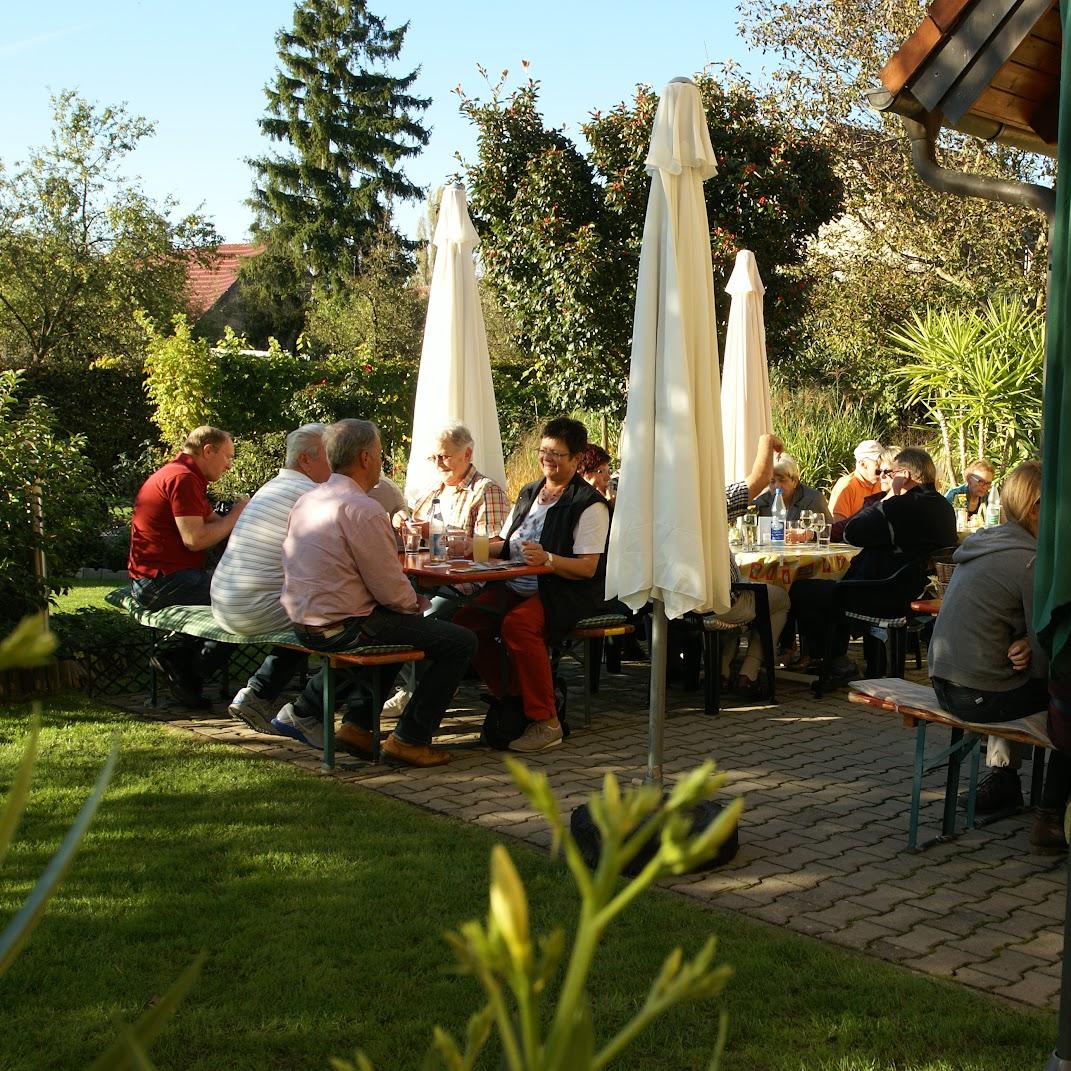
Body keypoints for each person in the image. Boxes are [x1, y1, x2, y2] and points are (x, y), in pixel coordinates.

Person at [273, 419, 477, 768]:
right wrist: (417, 604)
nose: (383, 461)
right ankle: (409, 739)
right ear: (366, 457)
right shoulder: (362, 508)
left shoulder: (309, 500)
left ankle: (358, 726)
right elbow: (391, 589)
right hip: (343, 627)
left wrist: (408, 609)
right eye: (381, 453)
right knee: (460, 641)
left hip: (303, 622)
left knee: (401, 626)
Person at [928, 460, 1069, 848]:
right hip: (976, 693)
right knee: (1069, 701)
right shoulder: (1030, 559)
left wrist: (1022, 640)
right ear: (1038, 506)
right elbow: (1046, 654)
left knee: (1029, 680)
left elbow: (1022, 629)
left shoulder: (990, 541)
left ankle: (1006, 781)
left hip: (944, 680)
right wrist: (1031, 644)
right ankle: (1051, 815)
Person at [451, 417, 611, 753]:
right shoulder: (530, 491)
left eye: (556, 453)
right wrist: (471, 546)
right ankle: (511, 696)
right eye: (543, 451)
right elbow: (508, 545)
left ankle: (546, 720)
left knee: (518, 625)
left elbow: (588, 568)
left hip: (564, 590)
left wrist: (549, 561)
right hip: (516, 583)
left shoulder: (589, 504)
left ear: (577, 458)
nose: (547, 458)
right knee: (467, 622)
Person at [793, 447, 957, 682]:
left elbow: (852, 531)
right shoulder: (944, 507)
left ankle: (833, 659)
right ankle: (844, 660)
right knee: (830, 587)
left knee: (803, 589)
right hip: (916, 590)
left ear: (905, 476)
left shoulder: (899, 506)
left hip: (880, 595)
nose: (886, 478)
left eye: (891, 473)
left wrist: (890, 495)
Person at [210, 423, 331, 733]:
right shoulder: (311, 496)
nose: (336, 463)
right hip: (251, 608)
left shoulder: (273, 486)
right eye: (330, 456)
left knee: (315, 609)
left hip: (225, 599)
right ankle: (310, 713)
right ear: (306, 460)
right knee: (342, 619)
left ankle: (257, 694)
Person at [128, 426, 249, 706]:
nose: (229, 465)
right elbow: (195, 539)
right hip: (161, 582)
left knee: (240, 599)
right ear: (208, 450)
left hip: (159, 578)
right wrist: (238, 513)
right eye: (227, 457)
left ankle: (182, 665)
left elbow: (211, 524)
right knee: (245, 603)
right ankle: (183, 666)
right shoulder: (182, 479)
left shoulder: (182, 475)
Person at [395, 422, 510, 540]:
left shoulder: (486, 491)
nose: (437, 465)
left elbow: (493, 546)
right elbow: (415, 537)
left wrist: (436, 534)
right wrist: (404, 523)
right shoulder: (433, 491)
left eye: (443, 457)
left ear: (467, 454)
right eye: (433, 458)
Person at [752, 452, 832, 524]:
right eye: (772, 481)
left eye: (782, 480)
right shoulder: (762, 503)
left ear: (795, 481)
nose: (777, 486)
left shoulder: (813, 500)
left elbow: (828, 532)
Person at [828, 439, 883, 523]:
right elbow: (837, 525)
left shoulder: (882, 483)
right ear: (863, 464)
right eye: (878, 469)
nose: (882, 473)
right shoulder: (847, 487)